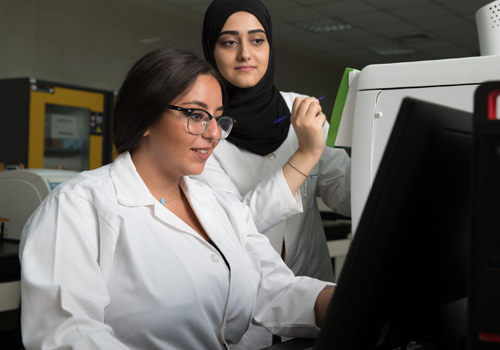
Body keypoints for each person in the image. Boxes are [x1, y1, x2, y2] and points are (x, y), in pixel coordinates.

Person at [19, 47, 334, 350]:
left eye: (218, 119)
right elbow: (68, 334)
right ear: (146, 116)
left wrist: (353, 299)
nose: (213, 133)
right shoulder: (78, 205)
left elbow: (274, 289)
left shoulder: (220, 206)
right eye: (197, 115)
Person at [198, 0, 351, 285]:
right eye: (229, 42)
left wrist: (373, 140)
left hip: (312, 289)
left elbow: (345, 198)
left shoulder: (303, 110)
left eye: (257, 40)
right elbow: (236, 227)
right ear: (211, 51)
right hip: (246, 303)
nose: (245, 54)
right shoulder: (203, 130)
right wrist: (305, 155)